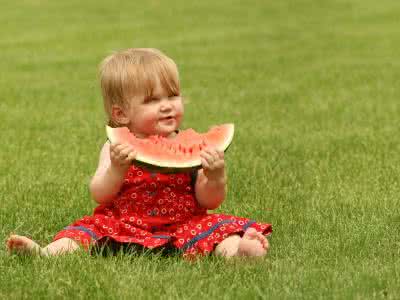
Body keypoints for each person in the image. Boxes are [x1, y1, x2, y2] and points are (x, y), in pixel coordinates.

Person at [6, 48, 272, 259]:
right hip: (123, 222)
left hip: (182, 222)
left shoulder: (192, 146)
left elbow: (208, 201)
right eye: (152, 100)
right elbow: (99, 193)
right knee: (84, 232)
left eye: (173, 95)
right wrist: (116, 169)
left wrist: (215, 177)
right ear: (121, 113)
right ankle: (46, 253)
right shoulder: (115, 147)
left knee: (216, 232)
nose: (167, 106)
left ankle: (239, 252)